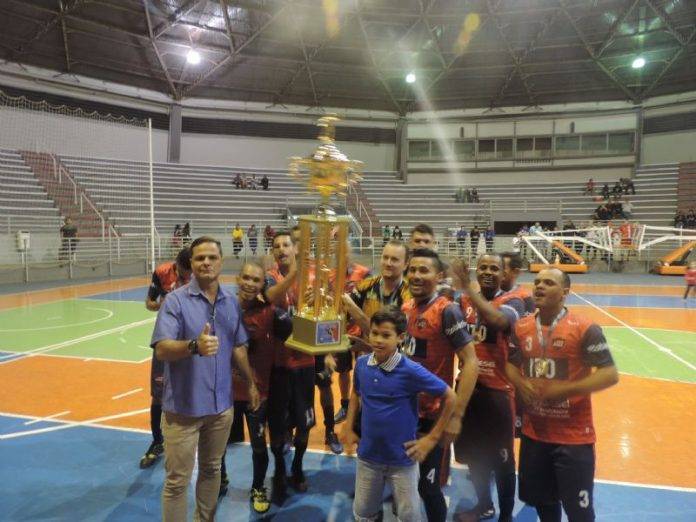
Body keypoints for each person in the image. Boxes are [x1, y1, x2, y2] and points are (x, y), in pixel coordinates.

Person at [151, 236, 260, 522]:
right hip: (182, 410)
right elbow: (162, 349)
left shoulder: (230, 302)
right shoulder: (175, 301)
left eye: (212, 257)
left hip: (221, 408)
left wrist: (250, 383)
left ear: (221, 262)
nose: (206, 263)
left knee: (212, 470)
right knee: (177, 481)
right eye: (200, 258)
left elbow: (237, 346)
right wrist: (193, 346)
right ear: (191, 263)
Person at [505, 268, 619, 522]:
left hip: (573, 438)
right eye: (537, 282)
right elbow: (511, 365)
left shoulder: (585, 328)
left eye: (548, 282)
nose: (539, 286)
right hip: (535, 434)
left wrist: (564, 390)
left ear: (565, 292)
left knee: (579, 512)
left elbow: (609, 374)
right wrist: (520, 383)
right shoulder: (521, 327)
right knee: (543, 503)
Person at [342, 308, 457, 522]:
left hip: (402, 461)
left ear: (400, 338)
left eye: (386, 335)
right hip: (368, 457)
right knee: (364, 513)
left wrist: (431, 438)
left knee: (408, 516)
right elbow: (356, 393)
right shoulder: (362, 365)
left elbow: (450, 396)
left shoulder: (410, 370)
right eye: (374, 333)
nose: (378, 340)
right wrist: (348, 427)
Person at [402, 249, 479, 522]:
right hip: (405, 412)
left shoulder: (447, 311)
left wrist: (456, 416)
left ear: (438, 276)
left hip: (433, 415)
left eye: (424, 270)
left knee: (429, 487)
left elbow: (471, 362)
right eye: (413, 269)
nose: (416, 275)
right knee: (403, 480)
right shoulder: (406, 308)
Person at [451, 254, 528, 521]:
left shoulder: (513, 301)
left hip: (498, 394)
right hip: (468, 390)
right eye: (482, 267)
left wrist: (467, 289)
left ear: (503, 274)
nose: (487, 272)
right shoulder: (461, 302)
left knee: (503, 461)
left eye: (494, 268)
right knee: (474, 457)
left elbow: (497, 321)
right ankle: (484, 504)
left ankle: (505, 516)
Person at [222, 261, 292, 512]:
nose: (250, 284)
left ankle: (258, 486)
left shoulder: (272, 313)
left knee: (259, 447)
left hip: (257, 394)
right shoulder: (221, 309)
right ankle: (220, 478)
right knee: (218, 444)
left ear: (264, 284)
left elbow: (297, 339)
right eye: (246, 278)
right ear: (238, 279)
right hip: (225, 392)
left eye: (256, 280)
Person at [264, 230, 315, 495]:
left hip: (305, 363)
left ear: (295, 248)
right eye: (276, 246)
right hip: (278, 365)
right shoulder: (269, 277)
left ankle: (297, 467)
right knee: (278, 425)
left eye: (286, 245)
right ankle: (280, 470)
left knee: (304, 423)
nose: (281, 249)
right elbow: (271, 297)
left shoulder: (314, 279)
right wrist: (296, 274)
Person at [338, 240, 411, 423]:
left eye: (395, 259)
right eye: (385, 257)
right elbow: (341, 315)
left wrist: (354, 310)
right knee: (363, 418)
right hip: (368, 365)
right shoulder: (366, 285)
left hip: (396, 368)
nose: (388, 263)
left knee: (389, 419)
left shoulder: (409, 294)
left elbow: (396, 338)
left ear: (405, 264)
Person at [141, 248, 192, 469]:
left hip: (189, 341)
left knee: (191, 390)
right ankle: (157, 441)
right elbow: (149, 303)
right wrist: (164, 304)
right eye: (184, 272)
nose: (187, 277)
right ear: (177, 266)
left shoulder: (198, 277)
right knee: (158, 394)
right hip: (165, 339)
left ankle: (189, 441)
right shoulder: (162, 273)